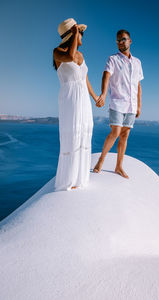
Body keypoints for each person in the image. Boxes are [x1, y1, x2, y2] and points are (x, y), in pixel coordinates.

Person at [53, 18, 99, 191]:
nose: (82, 37)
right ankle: (68, 180)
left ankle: (80, 178)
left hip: (84, 100)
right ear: (72, 35)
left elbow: (84, 78)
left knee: (84, 131)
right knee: (72, 133)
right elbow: (70, 57)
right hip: (70, 99)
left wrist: (95, 97)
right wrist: (73, 36)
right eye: (81, 33)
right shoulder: (57, 52)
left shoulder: (81, 55)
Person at [93, 29, 144, 178]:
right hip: (117, 102)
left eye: (123, 39)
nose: (120, 43)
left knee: (124, 136)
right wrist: (103, 94)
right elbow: (106, 75)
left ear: (130, 41)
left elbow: (138, 86)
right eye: (118, 41)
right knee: (115, 132)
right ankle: (101, 161)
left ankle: (118, 167)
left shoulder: (137, 62)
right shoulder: (113, 59)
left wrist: (139, 105)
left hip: (132, 105)